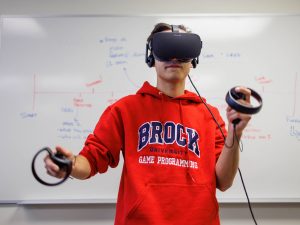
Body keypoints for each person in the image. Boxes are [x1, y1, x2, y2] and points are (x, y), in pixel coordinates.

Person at [45, 23, 251, 225]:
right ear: (151, 56)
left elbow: (224, 182)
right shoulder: (125, 110)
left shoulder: (209, 115)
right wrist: (70, 165)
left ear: (193, 60)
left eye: (182, 50)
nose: (173, 58)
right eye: (165, 48)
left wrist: (235, 133)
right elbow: (91, 160)